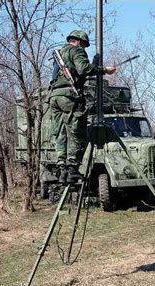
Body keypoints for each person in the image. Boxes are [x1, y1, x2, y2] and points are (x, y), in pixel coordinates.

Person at [48, 30, 116, 183]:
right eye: (84, 45)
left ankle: (62, 169)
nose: (84, 48)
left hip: (54, 97)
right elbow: (83, 69)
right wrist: (105, 70)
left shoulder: (59, 53)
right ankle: (72, 169)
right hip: (69, 97)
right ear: (78, 42)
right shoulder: (76, 50)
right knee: (76, 132)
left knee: (60, 133)